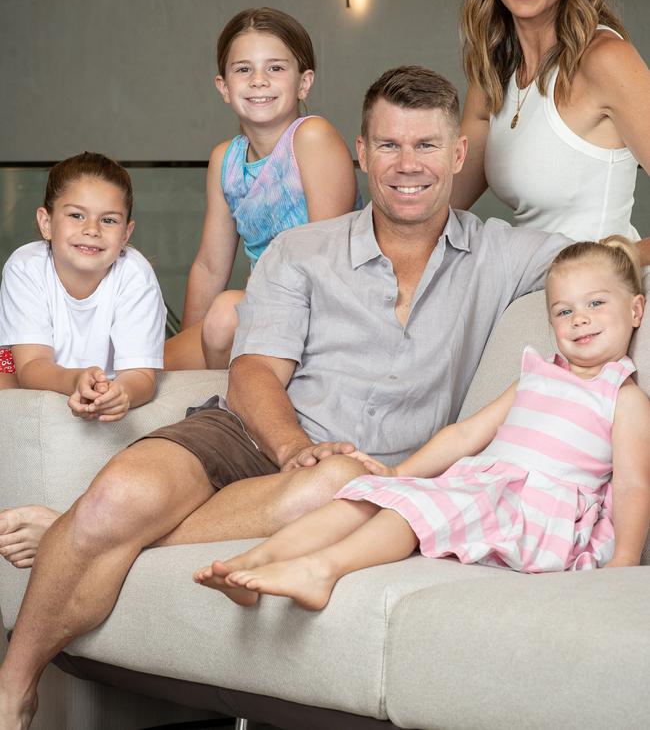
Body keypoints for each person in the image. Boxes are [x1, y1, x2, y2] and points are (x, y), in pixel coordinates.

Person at [0, 66, 570, 729]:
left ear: (458, 154)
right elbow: (251, 374)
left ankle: (80, 532)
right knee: (120, 495)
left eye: (426, 146)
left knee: (332, 482)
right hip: (252, 434)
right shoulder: (303, 251)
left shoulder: (508, 255)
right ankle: (14, 689)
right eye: (388, 145)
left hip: (369, 473)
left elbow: (620, 259)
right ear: (360, 152)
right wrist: (293, 445)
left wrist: (317, 464)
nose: (406, 164)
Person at [198, 237, 650, 610]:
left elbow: (632, 484)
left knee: (411, 511)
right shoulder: (536, 375)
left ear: (635, 310)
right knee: (364, 494)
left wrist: (624, 558)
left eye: (596, 303)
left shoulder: (622, 397)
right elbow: (467, 434)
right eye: (564, 311)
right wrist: (396, 474)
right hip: (484, 490)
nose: (580, 318)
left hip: (533, 513)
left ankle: (321, 570)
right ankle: (256, 561)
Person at [453, 0, 650, 263]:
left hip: (599, 301)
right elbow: (447, 198)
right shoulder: (494, 69)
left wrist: (622, 257)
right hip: (532, 288)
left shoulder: (605, 59)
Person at [164, 6, 360, 371]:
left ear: (304, 82)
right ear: (223, 86)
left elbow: (330, 261)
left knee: (224, 313)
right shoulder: (225, 159)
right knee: (152, 366)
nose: (259, 80)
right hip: (259, 308)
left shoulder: (313, 138)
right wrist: (194, 347)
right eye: (243, 69)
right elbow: (209, 267)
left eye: (275, 67)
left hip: (321, 309)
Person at [0, 152, 166, 570]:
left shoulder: (135, 274)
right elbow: (32, 365)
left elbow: (142, 375)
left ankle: (69, 525)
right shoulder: (25, 266)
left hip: (94, 377)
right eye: (76, 215)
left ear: (126, 232)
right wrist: (74, 379)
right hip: (32, 365)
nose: (91, 231)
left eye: (108, 220)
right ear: (45, 222)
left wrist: (123, 392)